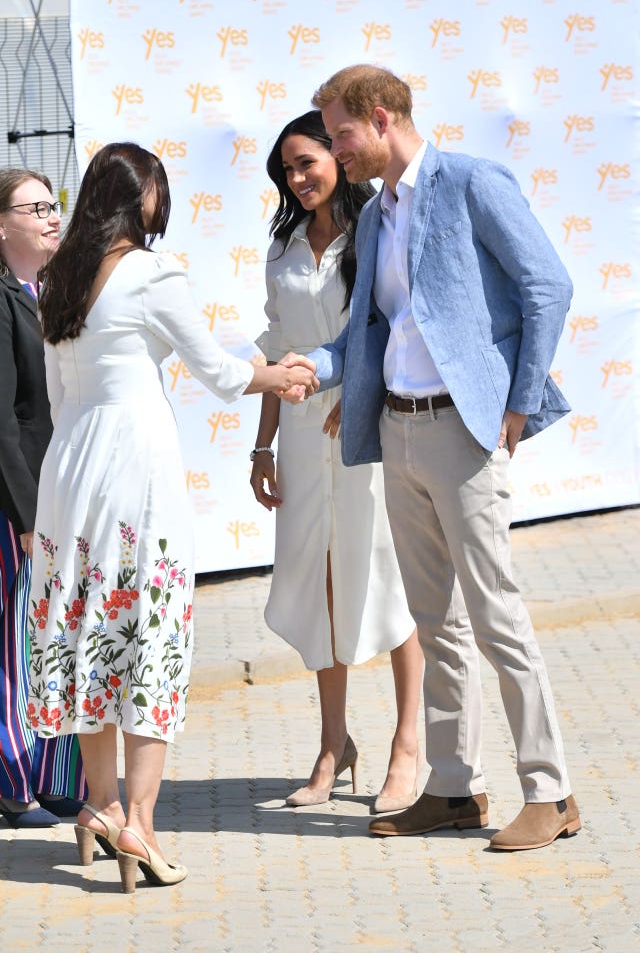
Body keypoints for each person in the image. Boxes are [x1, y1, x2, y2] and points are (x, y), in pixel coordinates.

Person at [284, 64, 581, 851]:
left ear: (381, 118)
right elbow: (369, 332)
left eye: (340, 132)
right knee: (436, 622)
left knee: (496, 616)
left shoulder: (473, 182)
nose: (333, 149)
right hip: (398, 433)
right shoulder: (377, 215)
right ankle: (453, 789)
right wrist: (315, 365)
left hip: (466, 430)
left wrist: (517, 405)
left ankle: (550, 793)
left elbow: (548, 285)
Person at [28, 142, 317, 892]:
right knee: (147, 634)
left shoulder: (59, 277)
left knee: (89, 630)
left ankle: (98, 805)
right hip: (134, 464)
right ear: (143, 196)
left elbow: (60, 396)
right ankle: (142, 825)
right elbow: (219, 373)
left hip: (69, 465)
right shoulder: (151, 273)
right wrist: (279, 374)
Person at [250, 111, 423, 811]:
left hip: (369, 431)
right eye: (286, 171)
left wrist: (356, 393)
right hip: (299, 433)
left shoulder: (376, 230)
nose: (297, 179)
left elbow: (392, 328)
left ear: (336, 155)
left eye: (307, 163)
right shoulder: (283, 244)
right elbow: (274, 345)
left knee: (387, 578)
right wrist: (262, 443)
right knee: (319, 581)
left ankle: (408, 744)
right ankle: (333, 744)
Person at [0, 168, 87, 829]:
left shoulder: (56, 293)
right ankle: (12, 786)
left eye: (54, 203)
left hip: (58, 499)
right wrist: (28, 516)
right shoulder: (3, 300)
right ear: (2, 226)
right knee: (12, 649)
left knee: (47, 643)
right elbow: (4, 421)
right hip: (16, 508)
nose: (52, 216)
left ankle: (56, 782)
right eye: (35, 208)